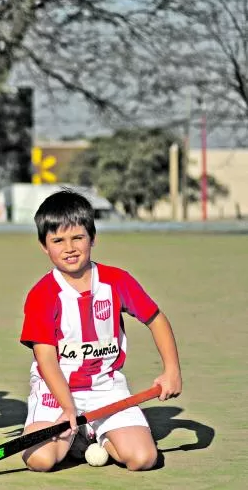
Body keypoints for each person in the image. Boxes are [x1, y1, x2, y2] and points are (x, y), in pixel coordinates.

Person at [20, 190, 182, 472]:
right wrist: (68, 408)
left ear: (92, 238)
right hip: (56, 389)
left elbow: (156, 319)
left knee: (142, 459)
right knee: (40, 460)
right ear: (44, 246)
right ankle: (77, 436)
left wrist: (172, 371)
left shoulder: (117, 281)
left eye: (77, 238)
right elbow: (46, 360)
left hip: (106, 389)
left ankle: (96, 435)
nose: (69, 248)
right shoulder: (41, 295)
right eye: (58, 240)